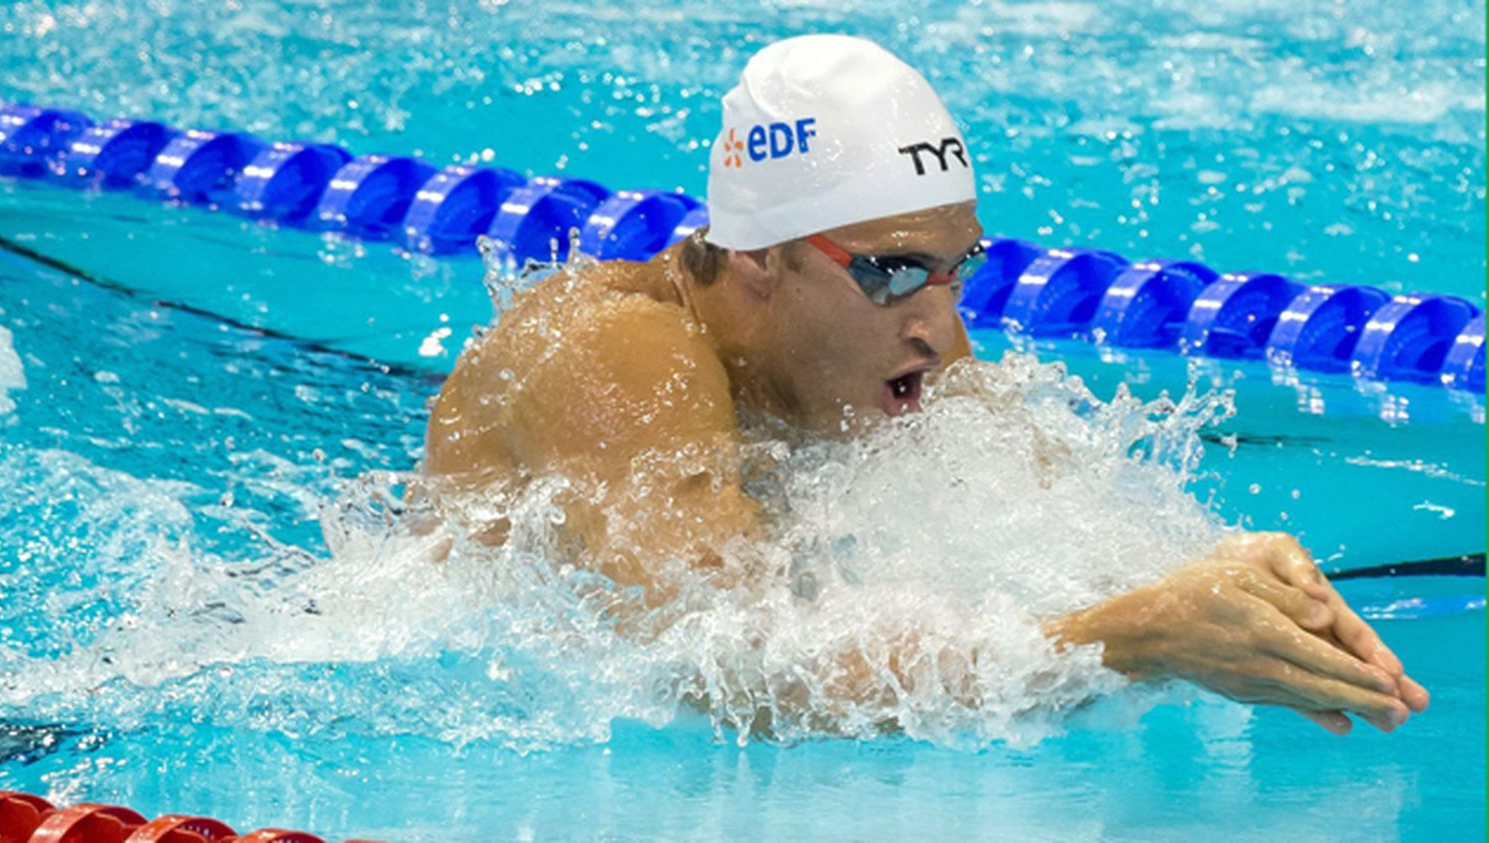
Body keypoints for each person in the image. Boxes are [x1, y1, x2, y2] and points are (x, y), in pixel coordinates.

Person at [424, 34, 1427, 734]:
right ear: (758, 258)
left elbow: (1064, 524)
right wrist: (1131, 637)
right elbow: (726, 671)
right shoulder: (610, 355)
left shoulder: (891, 348)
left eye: (956, 271)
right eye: (894, 271)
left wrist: (1237, 584)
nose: (942, 331)